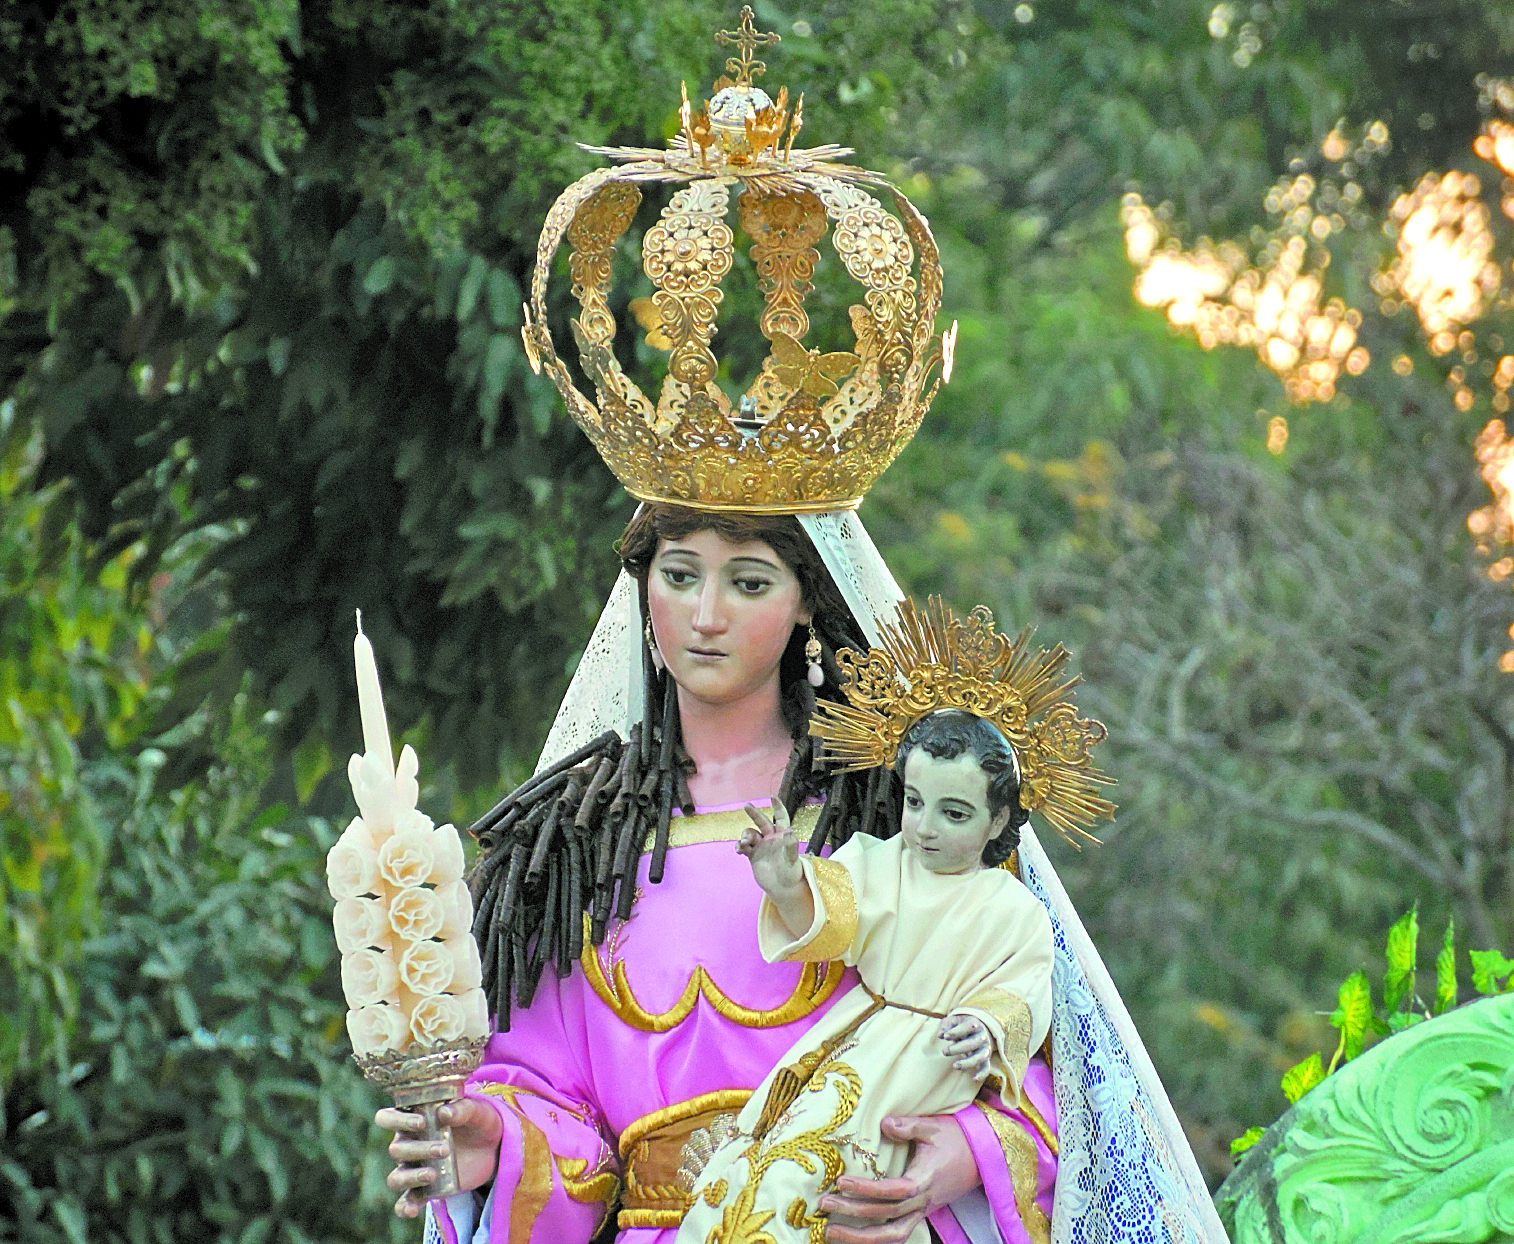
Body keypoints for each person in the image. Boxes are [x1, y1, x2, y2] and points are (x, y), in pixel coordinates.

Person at [378, 507, 1063, 1244]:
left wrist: (952, 1159)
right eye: (678, 576)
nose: (705, 616)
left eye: (748, 582)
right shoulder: (576, 848)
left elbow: (1020, 1039)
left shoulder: (896, 823)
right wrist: (495, 1138)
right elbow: (557, 1109)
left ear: (806, 599)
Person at [677, 709, 1057, 1244]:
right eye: (915, 802)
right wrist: (785, 882)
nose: (924, 827)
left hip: (933, 1063)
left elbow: (1023, 988)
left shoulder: (1014, 910)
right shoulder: (884, 862)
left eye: (954, 813)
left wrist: (984, 1027)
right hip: (857, 1043)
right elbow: (835, 917)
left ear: (997, 823)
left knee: (856, 1187)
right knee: (769, 1167)